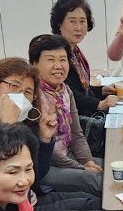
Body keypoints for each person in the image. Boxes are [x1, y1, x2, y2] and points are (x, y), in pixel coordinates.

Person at [30, 34, 103, 197]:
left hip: (67, 154)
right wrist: (81, 168)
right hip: (45, 166)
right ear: (35, 64)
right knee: (98, 181)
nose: (58, 66)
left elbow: (76, 133)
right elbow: (48, 150)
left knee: (115, 168)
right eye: (50, 60)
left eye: (63, 60)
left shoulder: (65, 90)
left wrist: (88, 161)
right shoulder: (32, 95)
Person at [51, 0, 119, 117]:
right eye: (72, 21)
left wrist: (102, 90)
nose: (78, 27)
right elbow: (67, 92)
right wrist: (99, 104)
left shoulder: (74, 51)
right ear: (59, 24)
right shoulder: (57, 53)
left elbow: (81, 89)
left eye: (82, 21)